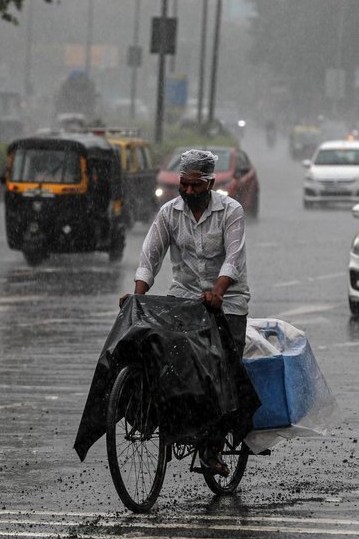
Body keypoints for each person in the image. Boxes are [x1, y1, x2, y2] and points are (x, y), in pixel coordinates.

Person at [119, 148, 250, 477]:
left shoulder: (230, 211)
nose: (188, 191)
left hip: (227, 298)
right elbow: (150, 257)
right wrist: (137, 297)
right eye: (184, 185)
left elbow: (233, 258)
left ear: (209, 183)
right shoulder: (169, 213)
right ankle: (173, 415)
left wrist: (218, 292)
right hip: (186, 295)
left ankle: (213, 446)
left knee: (222, 368)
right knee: (169, 354)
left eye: (195, 186)